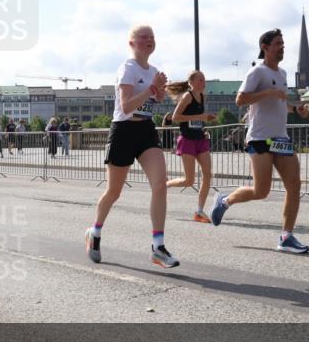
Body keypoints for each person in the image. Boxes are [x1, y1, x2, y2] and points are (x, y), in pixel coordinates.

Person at [210, 28, 309, 254]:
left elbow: (280, 102)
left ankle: (286, 236)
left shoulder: (283, 74)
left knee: (294, 184)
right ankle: (224, 201)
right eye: (278, 43)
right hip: (259, 138)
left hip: (281, 138)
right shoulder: (257, 72)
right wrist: (267, 93)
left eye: (283, 43)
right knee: (261, 190)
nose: (282, 47)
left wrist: (297, 110)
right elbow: (240, 100)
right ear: (265, 47)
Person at [85, 24, 179, 268]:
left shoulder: (154, 70)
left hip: (146, 130)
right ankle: (94, 232)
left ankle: (158, 246)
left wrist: (158, 92)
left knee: (160, 184)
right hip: (124, 130)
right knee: (114, 192)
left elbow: (153, 100)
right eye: (143, 37)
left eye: (152, 37)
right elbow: (126, 106)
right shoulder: (127, 69)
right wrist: (151, 89)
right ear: (132, 43)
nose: (149, 40)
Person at [165, 71, 215, 223]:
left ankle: (199, 211)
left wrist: (206, 121)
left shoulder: (202, 97)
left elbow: (198, 119)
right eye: (200, 79)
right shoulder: (188, 96)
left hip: (200, 139)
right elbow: (175, 117)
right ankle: (166, 184)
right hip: (187, 140)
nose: (203, 82)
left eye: (204, 79)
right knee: (189, 181)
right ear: (191, 82)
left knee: (208, 174)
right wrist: (199, 117)